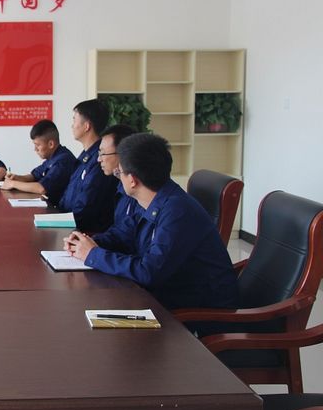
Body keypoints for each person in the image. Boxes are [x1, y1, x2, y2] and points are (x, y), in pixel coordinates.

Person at [64, 133, 238, 311]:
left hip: (198, 311)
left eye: (120, 172)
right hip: (166, 294)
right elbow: (124, 234)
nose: (118, 177)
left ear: (132, 180)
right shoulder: (153, 198)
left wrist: (94, 255)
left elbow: (148, 272)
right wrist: (86, 243)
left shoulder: (177, 212)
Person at [58, 99, 118, 233]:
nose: (72, 125)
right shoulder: (85, 156)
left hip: (86, 232)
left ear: (86, 126)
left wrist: (59, 221)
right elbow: (68, 194)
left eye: (74, 120)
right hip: (71, 226)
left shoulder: (100, 160)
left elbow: (86, 209)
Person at [0, 119, 76, 203]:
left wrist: (13, 184)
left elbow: (42, 188)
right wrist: (16, 177)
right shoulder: (52, 157)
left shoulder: (63, 160)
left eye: (37, 145)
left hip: (58, 208)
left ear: (51, 144)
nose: (35, 149)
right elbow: (34, 176)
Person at [97, 123, 138, 226]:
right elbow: (120, 231)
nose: (99, 159)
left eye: (103, 153)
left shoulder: (138, 189)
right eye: (99, 153)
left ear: (123, 154)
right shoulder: (120, 184)